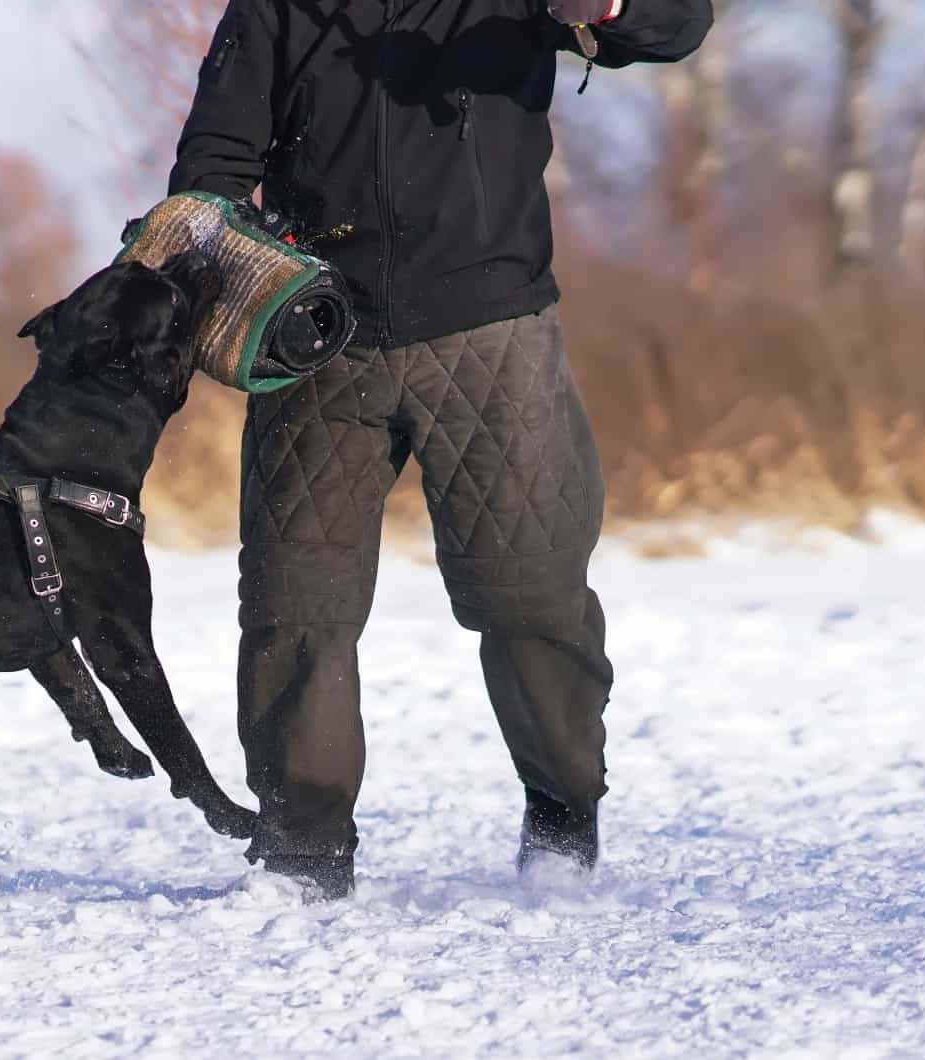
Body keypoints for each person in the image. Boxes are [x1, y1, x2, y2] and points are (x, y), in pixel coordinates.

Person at [169, 0, 713, 898]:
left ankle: (563, 815)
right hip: (317, 338)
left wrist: (612, 7)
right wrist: (215, 270)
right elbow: (215, 162)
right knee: (293, 608)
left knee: (530, 592)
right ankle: (303, 853)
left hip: (490, 331)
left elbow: (673, 26)